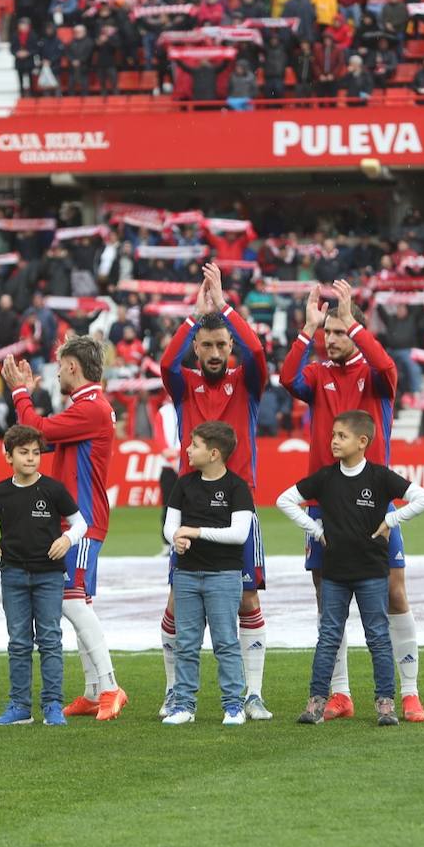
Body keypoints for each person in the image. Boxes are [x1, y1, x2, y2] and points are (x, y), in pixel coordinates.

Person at [280, 280, 424, 723]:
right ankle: (340, 693)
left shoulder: (376, 375)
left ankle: (409, 692)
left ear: (356, 332)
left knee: (394, 593)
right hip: (325, 501)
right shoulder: (317, 373)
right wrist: (308, 329)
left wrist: (355, 324)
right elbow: (287, 378)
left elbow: (387, 366)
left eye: (339, 332)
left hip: (374, 502)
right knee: (326, 598)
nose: (331, 339)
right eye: (328, 333)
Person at [158, 264, 272, 720]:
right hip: (190, 505)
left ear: (230, 347)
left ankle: (252, 694)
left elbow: (257, 351)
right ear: (196, 348)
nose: (214, 352)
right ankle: (174, 692)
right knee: (176, 602)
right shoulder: (184, 385)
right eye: (206, 345)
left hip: (238, 506)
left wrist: (225, 308)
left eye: (222, 345)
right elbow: (166, 363)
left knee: (248, 600)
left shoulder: (247, 382)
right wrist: (193, 316)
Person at [277, 410, 424, 726]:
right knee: (328, 637)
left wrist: (392, 519)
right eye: (333, 435)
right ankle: (316, 703)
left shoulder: (380, 477)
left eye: (342, 436)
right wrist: (315, 530)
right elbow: (284, 500)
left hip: (372, 572)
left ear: (362, 441)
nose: (334, 441)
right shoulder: (325, 477)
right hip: (335, 574)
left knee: (378, 637)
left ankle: (385, 704)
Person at [1, 339, 126, 720]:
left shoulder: (91, 408)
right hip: (78, 520)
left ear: (73, 366)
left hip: (82, 522)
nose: (56, 373)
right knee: (78, 602)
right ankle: (92, 691)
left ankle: (110, 686)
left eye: (60, 366)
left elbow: (36, 431)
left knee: (70, 601)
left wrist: (20, 392)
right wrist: (27, 397)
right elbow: (42, 440)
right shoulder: (87, 408)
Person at [0, 425, 88, 728]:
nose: (31, 458)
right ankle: (20, 706)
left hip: (49, 576)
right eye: (24, 452)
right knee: (19, 642)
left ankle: (53, 705)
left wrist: (67, 540)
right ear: (9, 456)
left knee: (50, 640)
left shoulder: (53, 489)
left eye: (36, 452)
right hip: (13, 575)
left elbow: (80, 524)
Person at [162, 421, 257, 726]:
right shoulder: (183, 484)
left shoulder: (237, 487)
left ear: (214, 453)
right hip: (186, 574)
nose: (188, 449)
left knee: (226, 642)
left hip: (224, 575)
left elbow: (239, 534)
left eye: (195, 445)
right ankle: (183, 706)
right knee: (186, 643)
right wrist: (175, 538)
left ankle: (233, 706)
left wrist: (195, 532)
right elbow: (170, 526)